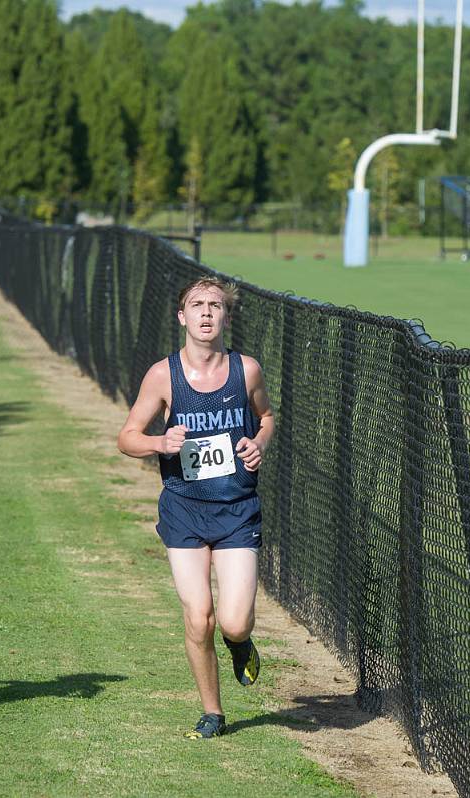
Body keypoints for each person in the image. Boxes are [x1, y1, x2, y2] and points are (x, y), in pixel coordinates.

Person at [117, 277, 274, 740]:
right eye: (197, 305)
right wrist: (158, 442)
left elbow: (266, 416)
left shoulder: (246, 371)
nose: (207, 313)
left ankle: (240, 643)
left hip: (236, 508)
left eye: (216, 306)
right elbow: (126, 437)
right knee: (198, 615)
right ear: (183, 316)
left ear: (226, 317)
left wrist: (259, 442)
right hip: (184, 508)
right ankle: (212, 712)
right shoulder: (163, 375)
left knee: (233, 619)